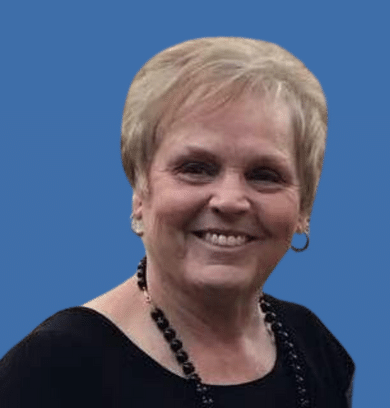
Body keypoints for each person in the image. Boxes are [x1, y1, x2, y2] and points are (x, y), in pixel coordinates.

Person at [0, 37, 354, 407]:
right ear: (140, 191)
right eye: (196, 168)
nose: (230, 200)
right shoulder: (51, 371)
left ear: (304, 208)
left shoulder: (314, 348)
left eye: (264, 174)